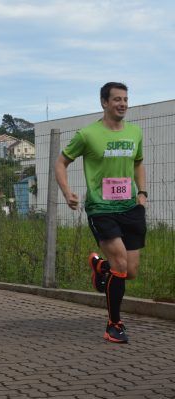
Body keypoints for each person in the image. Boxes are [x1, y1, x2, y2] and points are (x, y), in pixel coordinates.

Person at [55, 82, 146, 344]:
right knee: (120, 264)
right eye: (117, 99)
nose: (123, 104)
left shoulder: (134, 133)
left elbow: (138, 163)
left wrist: (143, 193)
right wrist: (67, 191)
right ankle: (114, 325)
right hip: (101, 208)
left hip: (131, 207)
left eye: (126, 99)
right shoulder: (87, 134)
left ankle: (99, 266)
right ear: (104, 103)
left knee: (130, 271)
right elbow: (61, 162)